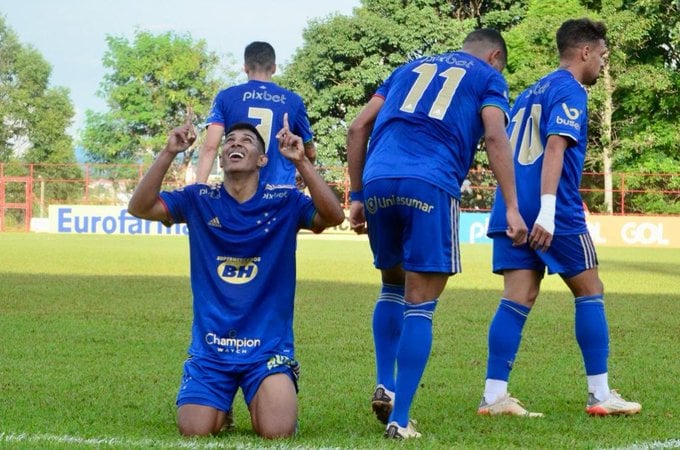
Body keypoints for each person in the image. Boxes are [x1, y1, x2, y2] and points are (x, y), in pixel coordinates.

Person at [347, 29, 528, 439]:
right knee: (420, 303)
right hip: (429, 183)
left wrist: (357, 194)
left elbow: (358, 128)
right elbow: (496, 135)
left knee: (391, 284)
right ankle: (401, 418)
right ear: (495, 55)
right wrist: (513, 206)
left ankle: (384, 382)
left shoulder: (406, 68)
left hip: (378, 180)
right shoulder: (488, 77)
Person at [128, 111, 344, 438]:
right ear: (223, 158)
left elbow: (333, 215)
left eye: (245, 141)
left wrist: (302, 162)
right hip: (212, 351)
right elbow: (140, 207)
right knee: (194, 430)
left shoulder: (284, 201)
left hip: (266, 351)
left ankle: (276, 385)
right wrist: (169, 152)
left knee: (277, 432)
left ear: (261, 160)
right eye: (229, 141)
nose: (234, 144)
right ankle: (220, 402)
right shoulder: (199, 199)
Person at [479, 18, 641, 418]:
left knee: (517, 297)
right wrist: (549, 213)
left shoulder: (532, 90)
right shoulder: (570, 89)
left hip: (512, 206)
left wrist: (518, 207)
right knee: (590, 289)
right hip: (554, 208)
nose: (603, 64)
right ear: (584, 51)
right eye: (602, 55)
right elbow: (555, 148)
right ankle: (600, 394)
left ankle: (494, 395)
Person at [195, 41, 317, 186]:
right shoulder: (294, 101)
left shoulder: (225, 97)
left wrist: (197, 190)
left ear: (246, 68)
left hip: (239, 192)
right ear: (274, 68)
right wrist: (306, 171)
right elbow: (309, 150)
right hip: (281, 192)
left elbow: (210, 147)